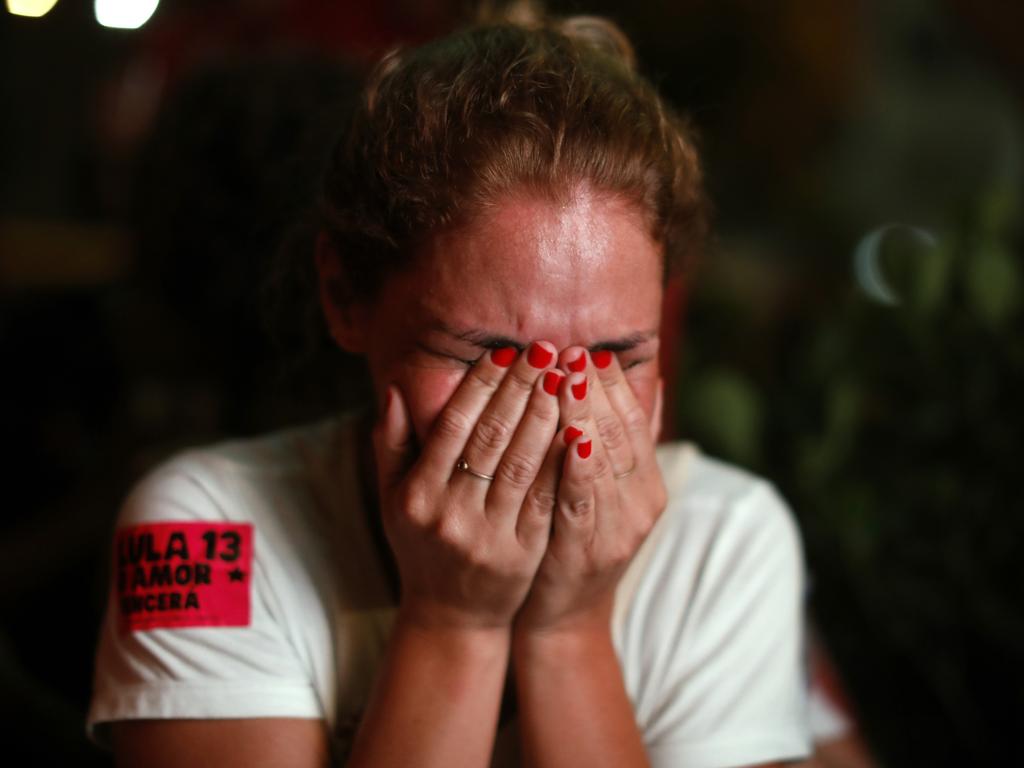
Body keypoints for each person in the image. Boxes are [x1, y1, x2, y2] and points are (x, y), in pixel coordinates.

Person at [87, 6, 811, 767]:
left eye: (613, 357)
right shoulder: (204, 533)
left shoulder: (726, 545)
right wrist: (453, 621)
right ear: (344, 297)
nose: (557, 413)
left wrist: (569, 630)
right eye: (492, 357)